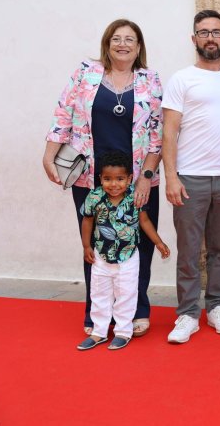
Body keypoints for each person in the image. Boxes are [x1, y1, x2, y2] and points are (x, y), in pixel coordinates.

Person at [44, 19, 163, 339]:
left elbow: (157, 135)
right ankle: (97, 312)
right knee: (96, 244)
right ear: (107, 43)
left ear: (139, 47)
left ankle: (137, 309)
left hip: (137, 178)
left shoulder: (150, 79)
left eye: (130, 39)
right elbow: (63, 113)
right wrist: (49, 153)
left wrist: (145, 178)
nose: (123, 44)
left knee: (138, 245)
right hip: (91, 176)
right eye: (117, 39)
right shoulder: (86, 72)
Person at [162, 9, 220, 343]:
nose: (211, 37)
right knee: (190, 250)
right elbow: (169, 132)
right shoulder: (182, 79)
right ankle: (188, 314)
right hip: (190, 177)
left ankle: (217, 306)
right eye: (204, 32)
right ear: (194, 39)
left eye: (217, 32)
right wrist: (171, 177)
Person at [76, 151, 170, 351]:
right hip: (101, 255)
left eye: (120, 179)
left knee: (126, 294)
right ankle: (99, 332)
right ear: (101, 178)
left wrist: (159, 242)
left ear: (129, 178)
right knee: (99, 293)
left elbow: (144, 222)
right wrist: (86, 246)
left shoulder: (135, 197)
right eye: (108, 179)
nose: (113, 184)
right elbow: (87, 220)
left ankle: (123, 332)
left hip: (128, 256)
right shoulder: (95, 197)